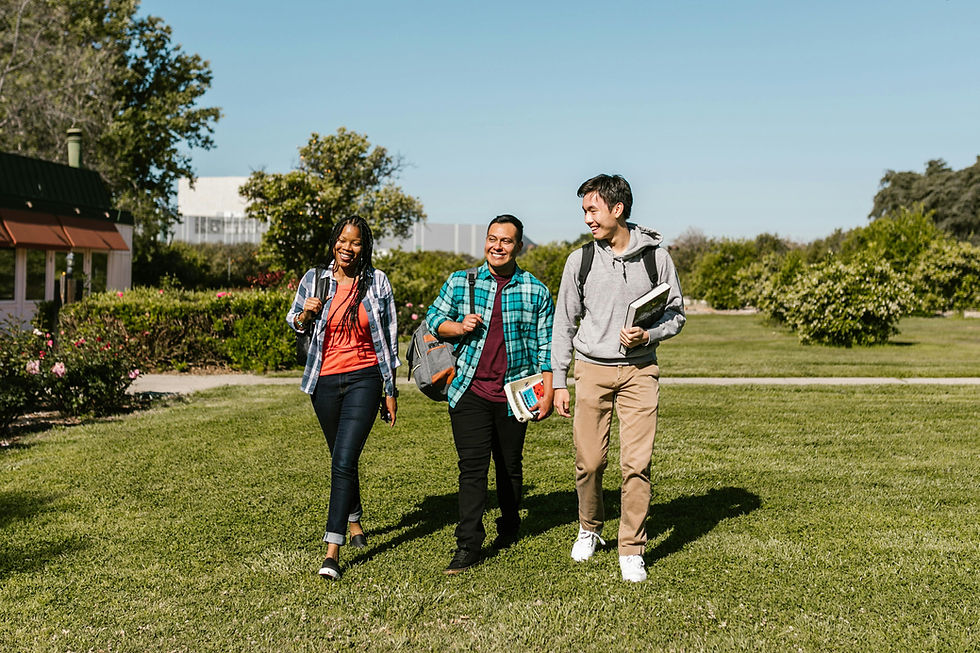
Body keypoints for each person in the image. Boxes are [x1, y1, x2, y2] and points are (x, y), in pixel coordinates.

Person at [551, 174, 686, 583]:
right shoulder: (581, 260)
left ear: (617, 209)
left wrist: (650, 333)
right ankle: (590, 528)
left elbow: (676, 314)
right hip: (591, 370)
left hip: (640, 372)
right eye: (584, 211)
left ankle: (632, 547)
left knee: (636, 464)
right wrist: (559, 379)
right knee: (589, 462)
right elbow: (564, 322)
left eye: (592, 210)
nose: (587, 219)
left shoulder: (656, 258)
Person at [425, 214, 555, 574]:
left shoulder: (535, 290)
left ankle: (510, 524)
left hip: (516, 394)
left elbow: (547, 346)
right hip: (469, 390)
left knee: (510, 467)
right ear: (485, 242)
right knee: (472, 469)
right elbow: (434, 318)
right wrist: (458, 325)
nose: (497, 246)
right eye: (492, 239)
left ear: (519, 247)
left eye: (506, 241)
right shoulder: (460, 281)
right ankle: (468, 544)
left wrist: (549, 390)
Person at [286, 215, 399, 581]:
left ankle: (331, 551)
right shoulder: (315, 279)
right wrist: (306, 312)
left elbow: (390, 337)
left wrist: (390, 388)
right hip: (324, 382)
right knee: (341, 459)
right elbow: (294, 321)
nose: (347, 248)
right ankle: (354, 523)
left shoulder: (376, 282)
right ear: (334, 241)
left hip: (364, 378)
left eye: (355, 243)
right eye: (342, 240)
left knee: (345, 457)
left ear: (364, 247)